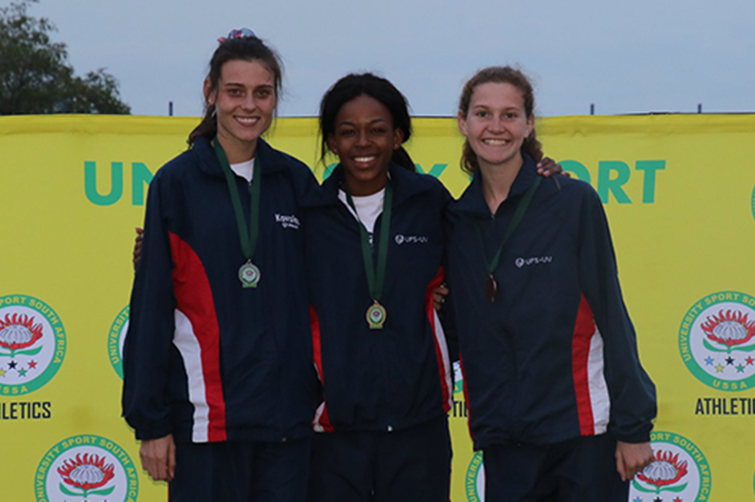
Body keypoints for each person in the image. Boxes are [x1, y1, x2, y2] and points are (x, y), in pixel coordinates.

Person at [122, 29, 319, 502]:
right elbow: (151, 308)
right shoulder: (176, 184)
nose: (248, 105)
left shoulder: (295, 180)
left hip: (286, 423)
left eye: (262, 93)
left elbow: (344, 261)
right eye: (235, 92)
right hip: (205, 423)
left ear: (275, 99)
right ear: (211, 94)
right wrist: (150, 423)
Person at [443, 66, 657, 502]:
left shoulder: (571, 201)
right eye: (483, 114)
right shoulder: (454, 221)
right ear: (463, 122)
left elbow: (611, 314)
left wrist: (633, 427)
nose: (496, 127)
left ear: (529, 124)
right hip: (504, 440)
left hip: (581, 434)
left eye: (510, 115)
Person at [303, 73, 453, 502]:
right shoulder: (309, 213)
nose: (363, 143)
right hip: (333, 431)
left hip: (418, 426)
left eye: (378, 130)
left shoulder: (430, 202)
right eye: (348, 132)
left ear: (398, 136)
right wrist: (154, 255)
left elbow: (486, 254)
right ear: (332, 141)